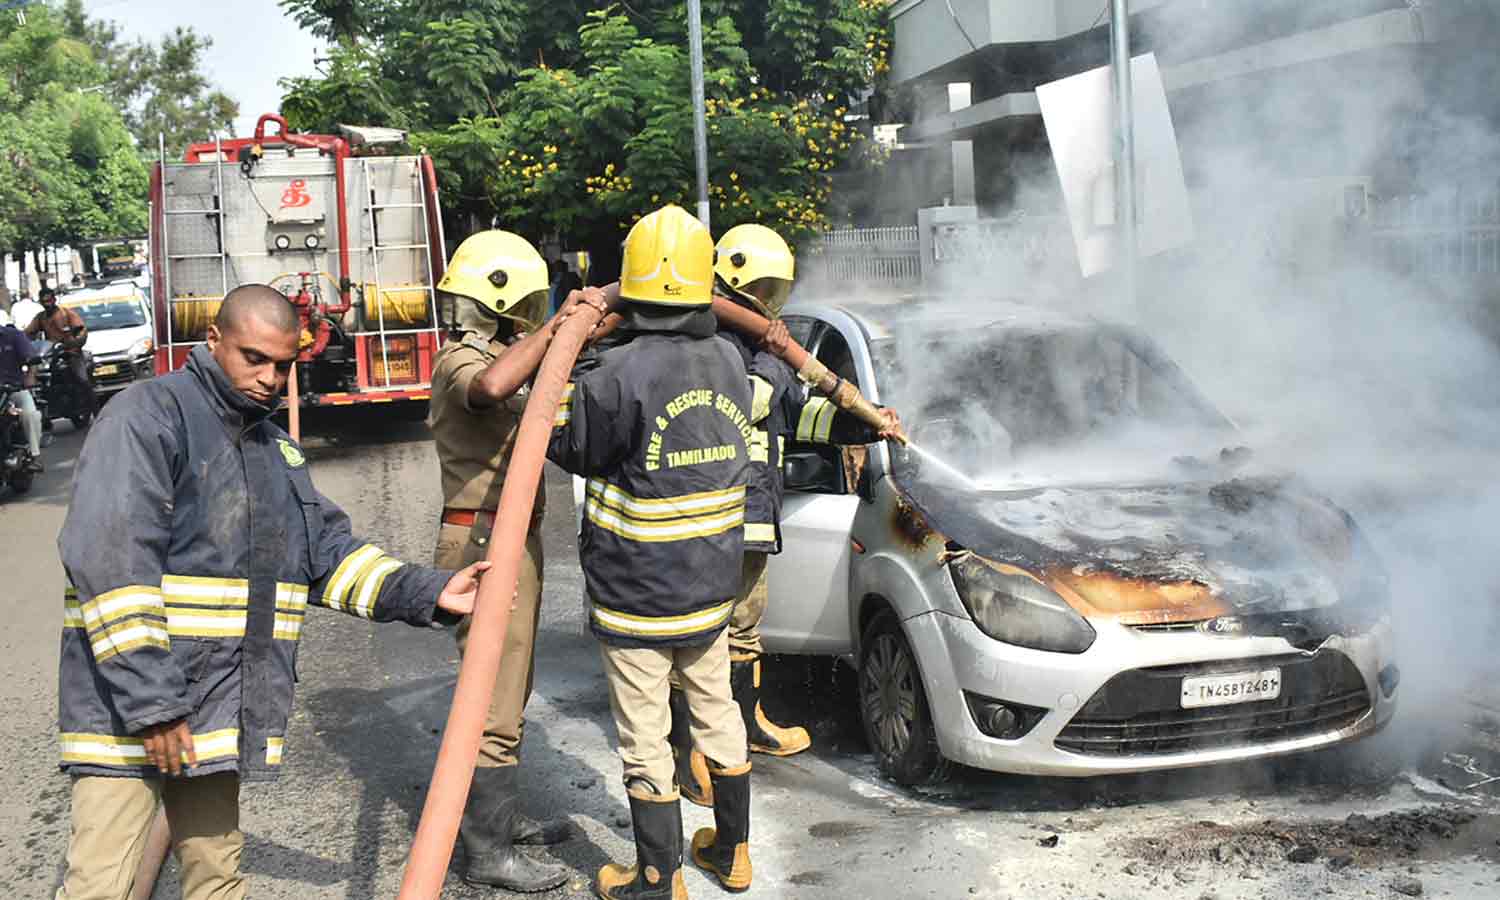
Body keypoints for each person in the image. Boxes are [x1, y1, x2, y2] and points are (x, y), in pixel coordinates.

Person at [54, 283, 488, 900]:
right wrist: (155, 707)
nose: (268, 378)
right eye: (252, 358)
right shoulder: (146, 418)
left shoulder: (270, 449)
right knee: (104, 884)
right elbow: (111, 564)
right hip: (130, 715)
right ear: (213, 342)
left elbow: (323, 556)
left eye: (282, 365)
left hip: (208, 712)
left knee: (217, 877)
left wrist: (432, 592)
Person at [548, 205, 755, 898]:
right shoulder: (731, 359)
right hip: (710, 587)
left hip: (637, 595)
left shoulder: (612, 374)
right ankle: (732, 854)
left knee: (645, 735)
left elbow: (572, 450)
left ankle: (658, 879)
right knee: (717, 712)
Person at [668, 224, 902, 806]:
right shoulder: (712, 345)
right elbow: (742, 405)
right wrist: (779, 360)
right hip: (712, 520)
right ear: (740, 281)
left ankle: (748, 726)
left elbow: (794, 420)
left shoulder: (758, 350)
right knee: (698, 640)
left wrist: (861, 424)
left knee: (746, 630)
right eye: (768, 286)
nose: (774, 301)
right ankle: (685, 755)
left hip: (755, 518)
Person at [427, 230, 578, 892]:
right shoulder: (463, 360)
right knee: (492, 700)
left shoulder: (500, 352)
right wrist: (556, 333)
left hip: (515, 538)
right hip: (485, 543)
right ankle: (487, 851)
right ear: (503, 298)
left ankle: (503, 823)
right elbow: (489, 388)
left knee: (512, 693)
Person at [0, 308, 43, 471]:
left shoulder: (14, 336)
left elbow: (32, 358)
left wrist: (30, 377)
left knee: (30, 414)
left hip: (14, 391)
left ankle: (34, 456)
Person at [25, 286, 90, 389]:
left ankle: (89, 399)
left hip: (70, 353)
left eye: (49, 301)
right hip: (51, 355)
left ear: (54, 300)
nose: (47, 304)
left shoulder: (67, 314)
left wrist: (73, 343)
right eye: (44, 301)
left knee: (82, 378)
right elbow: (28, 332)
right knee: (33, 368)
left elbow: (81, 331)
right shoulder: (41, 317)